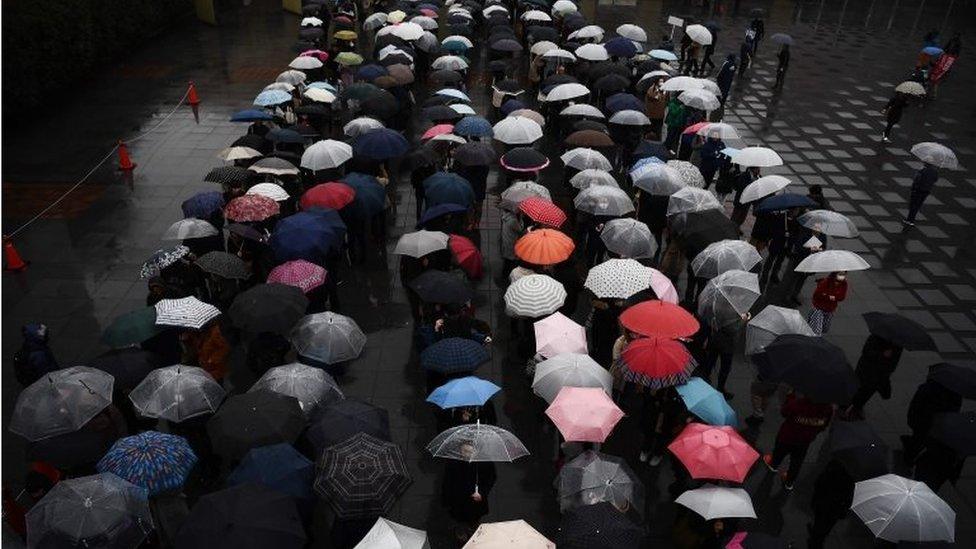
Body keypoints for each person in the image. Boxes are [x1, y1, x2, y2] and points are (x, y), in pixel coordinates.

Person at [763, 391, 834, 490]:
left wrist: (790, 396)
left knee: (779, 452)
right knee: (797, 462)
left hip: (787, 437)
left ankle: (773, 465)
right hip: (805, 441)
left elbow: (784, 411)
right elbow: (823, 426)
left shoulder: (799, 403)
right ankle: (789, 482)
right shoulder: (828, 409)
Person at [900, 369, 962, 462]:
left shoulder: (926, 388)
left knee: (919, 439)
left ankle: (910, 455)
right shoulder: (955, 393)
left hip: (922, 421)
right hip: (938, 424)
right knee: (924, 440)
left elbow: (916, 405)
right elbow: (955, 410)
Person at [846, 335, 903, 418]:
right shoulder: (876, 337)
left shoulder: (898, 344)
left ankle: (856, 407)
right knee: (859, 390)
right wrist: (882, 355)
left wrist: (889, 370)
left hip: (880, 375)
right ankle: (852, 408)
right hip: (866, 371)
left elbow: (894, 360)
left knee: (867, 392)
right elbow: (866, 351)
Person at [807, 459, 856, 549]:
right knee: (828, 525)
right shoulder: (848, 480)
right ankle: (819, 538)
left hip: (822, 506)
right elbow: (848, 498)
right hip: (835, 510)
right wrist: (844, 509)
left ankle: (815, 537)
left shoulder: (826, 475)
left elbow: (817, 486)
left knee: (819, 522)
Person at [903, 162, 938, 226]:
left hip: (918, 190)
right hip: (926, 191)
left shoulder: (923, 170)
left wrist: (920, 171)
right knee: (918, 205)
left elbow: (917, 179)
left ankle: (909, 220)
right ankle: (911, 220)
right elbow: (935, 179)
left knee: (913, 205)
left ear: (926, 164)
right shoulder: (935, 171)